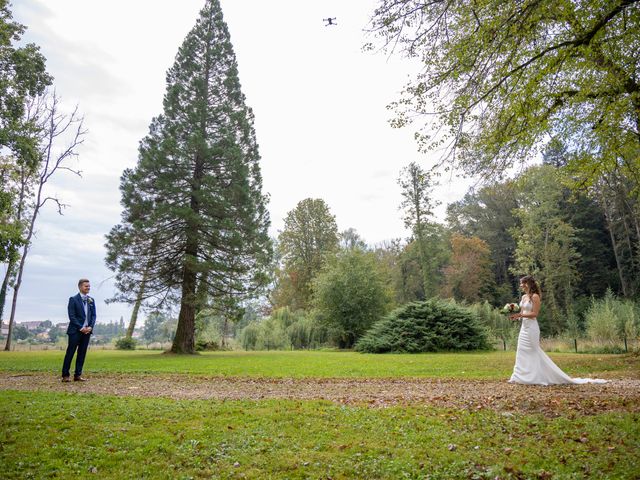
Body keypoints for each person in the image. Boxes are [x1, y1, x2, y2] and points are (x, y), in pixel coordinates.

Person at [509, 275, 605, 385]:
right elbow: (523, 312)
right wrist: (516, 316)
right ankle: (519, 376)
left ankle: (536, 376)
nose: (521, 285)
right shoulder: (523, 297)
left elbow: (534, 314)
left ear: (528, 284)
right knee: (521, 350)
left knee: (534, 350)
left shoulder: (535, 296)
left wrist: (521, 315)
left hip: (532, 327)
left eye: (522, 283)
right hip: (524, 327)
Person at [61, 278, 96, 382]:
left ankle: (78, 375)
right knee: (70, 352)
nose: (88, 288)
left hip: (87, 332)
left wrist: (90, 327)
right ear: (80, 287)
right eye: (86, 286)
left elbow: (93, 315)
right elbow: (72, 316)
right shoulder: (73, 299)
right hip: (75, 331)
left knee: (82, 353)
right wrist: (81, 328)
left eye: (89, 286)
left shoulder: (91, 300)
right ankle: (65, 375)